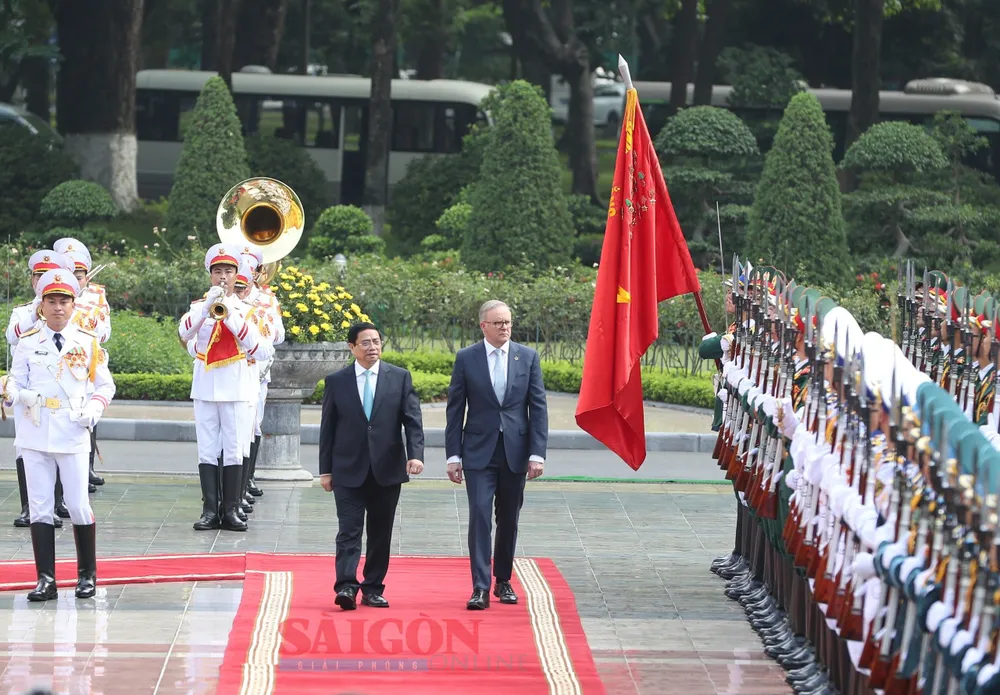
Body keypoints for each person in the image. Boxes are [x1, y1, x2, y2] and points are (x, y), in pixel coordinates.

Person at [2, 269, 116, 601]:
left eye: (63, 301)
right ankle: (46, 580)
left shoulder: (87, 342)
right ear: (42, 306)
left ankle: (86, 576)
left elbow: (104, 385)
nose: (57, 308)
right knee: (39, 507)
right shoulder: (27, 344)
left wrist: (94, 410)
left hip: (72, 431)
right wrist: (10, 393)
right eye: (51, 301)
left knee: (78, 505)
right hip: (35, 431)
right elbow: (16, 383)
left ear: (73, 305)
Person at [445, 300, 548, 610]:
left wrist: (537, 453)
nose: (505, 327)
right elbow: (455, 410)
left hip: (515, 452)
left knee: (508, 519)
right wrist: (453, 455)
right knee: (479, 515)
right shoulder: (466, 358)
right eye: (499, 323)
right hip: (477, 452)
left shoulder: (527, 357)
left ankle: (503, 581)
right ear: (483, 326)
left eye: (508, 322)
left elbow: (538, 407)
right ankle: (479, 586)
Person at [319, 322, 424, 610]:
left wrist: (415, 455)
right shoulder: (337, 381)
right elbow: (327, 429)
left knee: (380, 533)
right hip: (347, 469)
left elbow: (412, 420)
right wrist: (325, 470)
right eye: (365, 343)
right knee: (348, 531)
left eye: (376, 341)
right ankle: (346, 588)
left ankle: (373, 587)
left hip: (386, 469)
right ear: (352, 347)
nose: (372, 347)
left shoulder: (399, 378)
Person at [178, 243, 274, 532]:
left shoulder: (248, 310)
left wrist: (230, 315)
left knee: (233, 449)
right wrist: (208, 308)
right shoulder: (199, 307)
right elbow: (184, 333)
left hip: (237, 387)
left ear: (237, 275)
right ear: (210, 274)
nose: (222, 276)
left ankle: (231, 510)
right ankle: (210, 510)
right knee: (207, 450)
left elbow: (261, 350)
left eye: (228, 271)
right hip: (206, 386)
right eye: (217, 271)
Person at [5, 250, 76, 529]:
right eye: (38, 276)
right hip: (27, 392)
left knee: (57, 447)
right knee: (26, 449)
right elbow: (14, 335)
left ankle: (56, 503)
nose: (40, 280)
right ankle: (28, 507)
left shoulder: (65, 306)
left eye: (45, 276)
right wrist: (38, 305)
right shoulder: (23, 311)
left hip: (58, 391)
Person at [53, 238, 112, 492]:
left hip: (89, 359)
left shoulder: (96, 295)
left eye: (80, 275)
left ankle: (86, 468)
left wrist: (91, 326)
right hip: (63, 361)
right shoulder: (56, 299)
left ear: (86, 274)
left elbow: (105, 331)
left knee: (90, 414)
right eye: (71, 274)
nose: (77, 280)